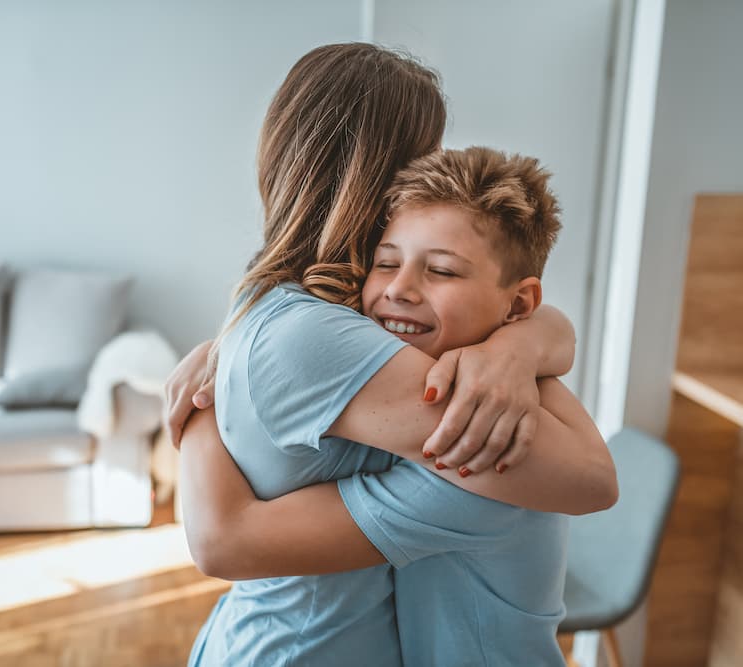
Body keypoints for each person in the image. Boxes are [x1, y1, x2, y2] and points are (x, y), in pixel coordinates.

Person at [164, 43, 617, 666]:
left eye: (442, 270)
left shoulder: (289, 298)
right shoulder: (319, 334)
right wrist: (199, 414)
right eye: (422, 158)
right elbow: (588, 475)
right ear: (386, 174)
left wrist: (525, 341)